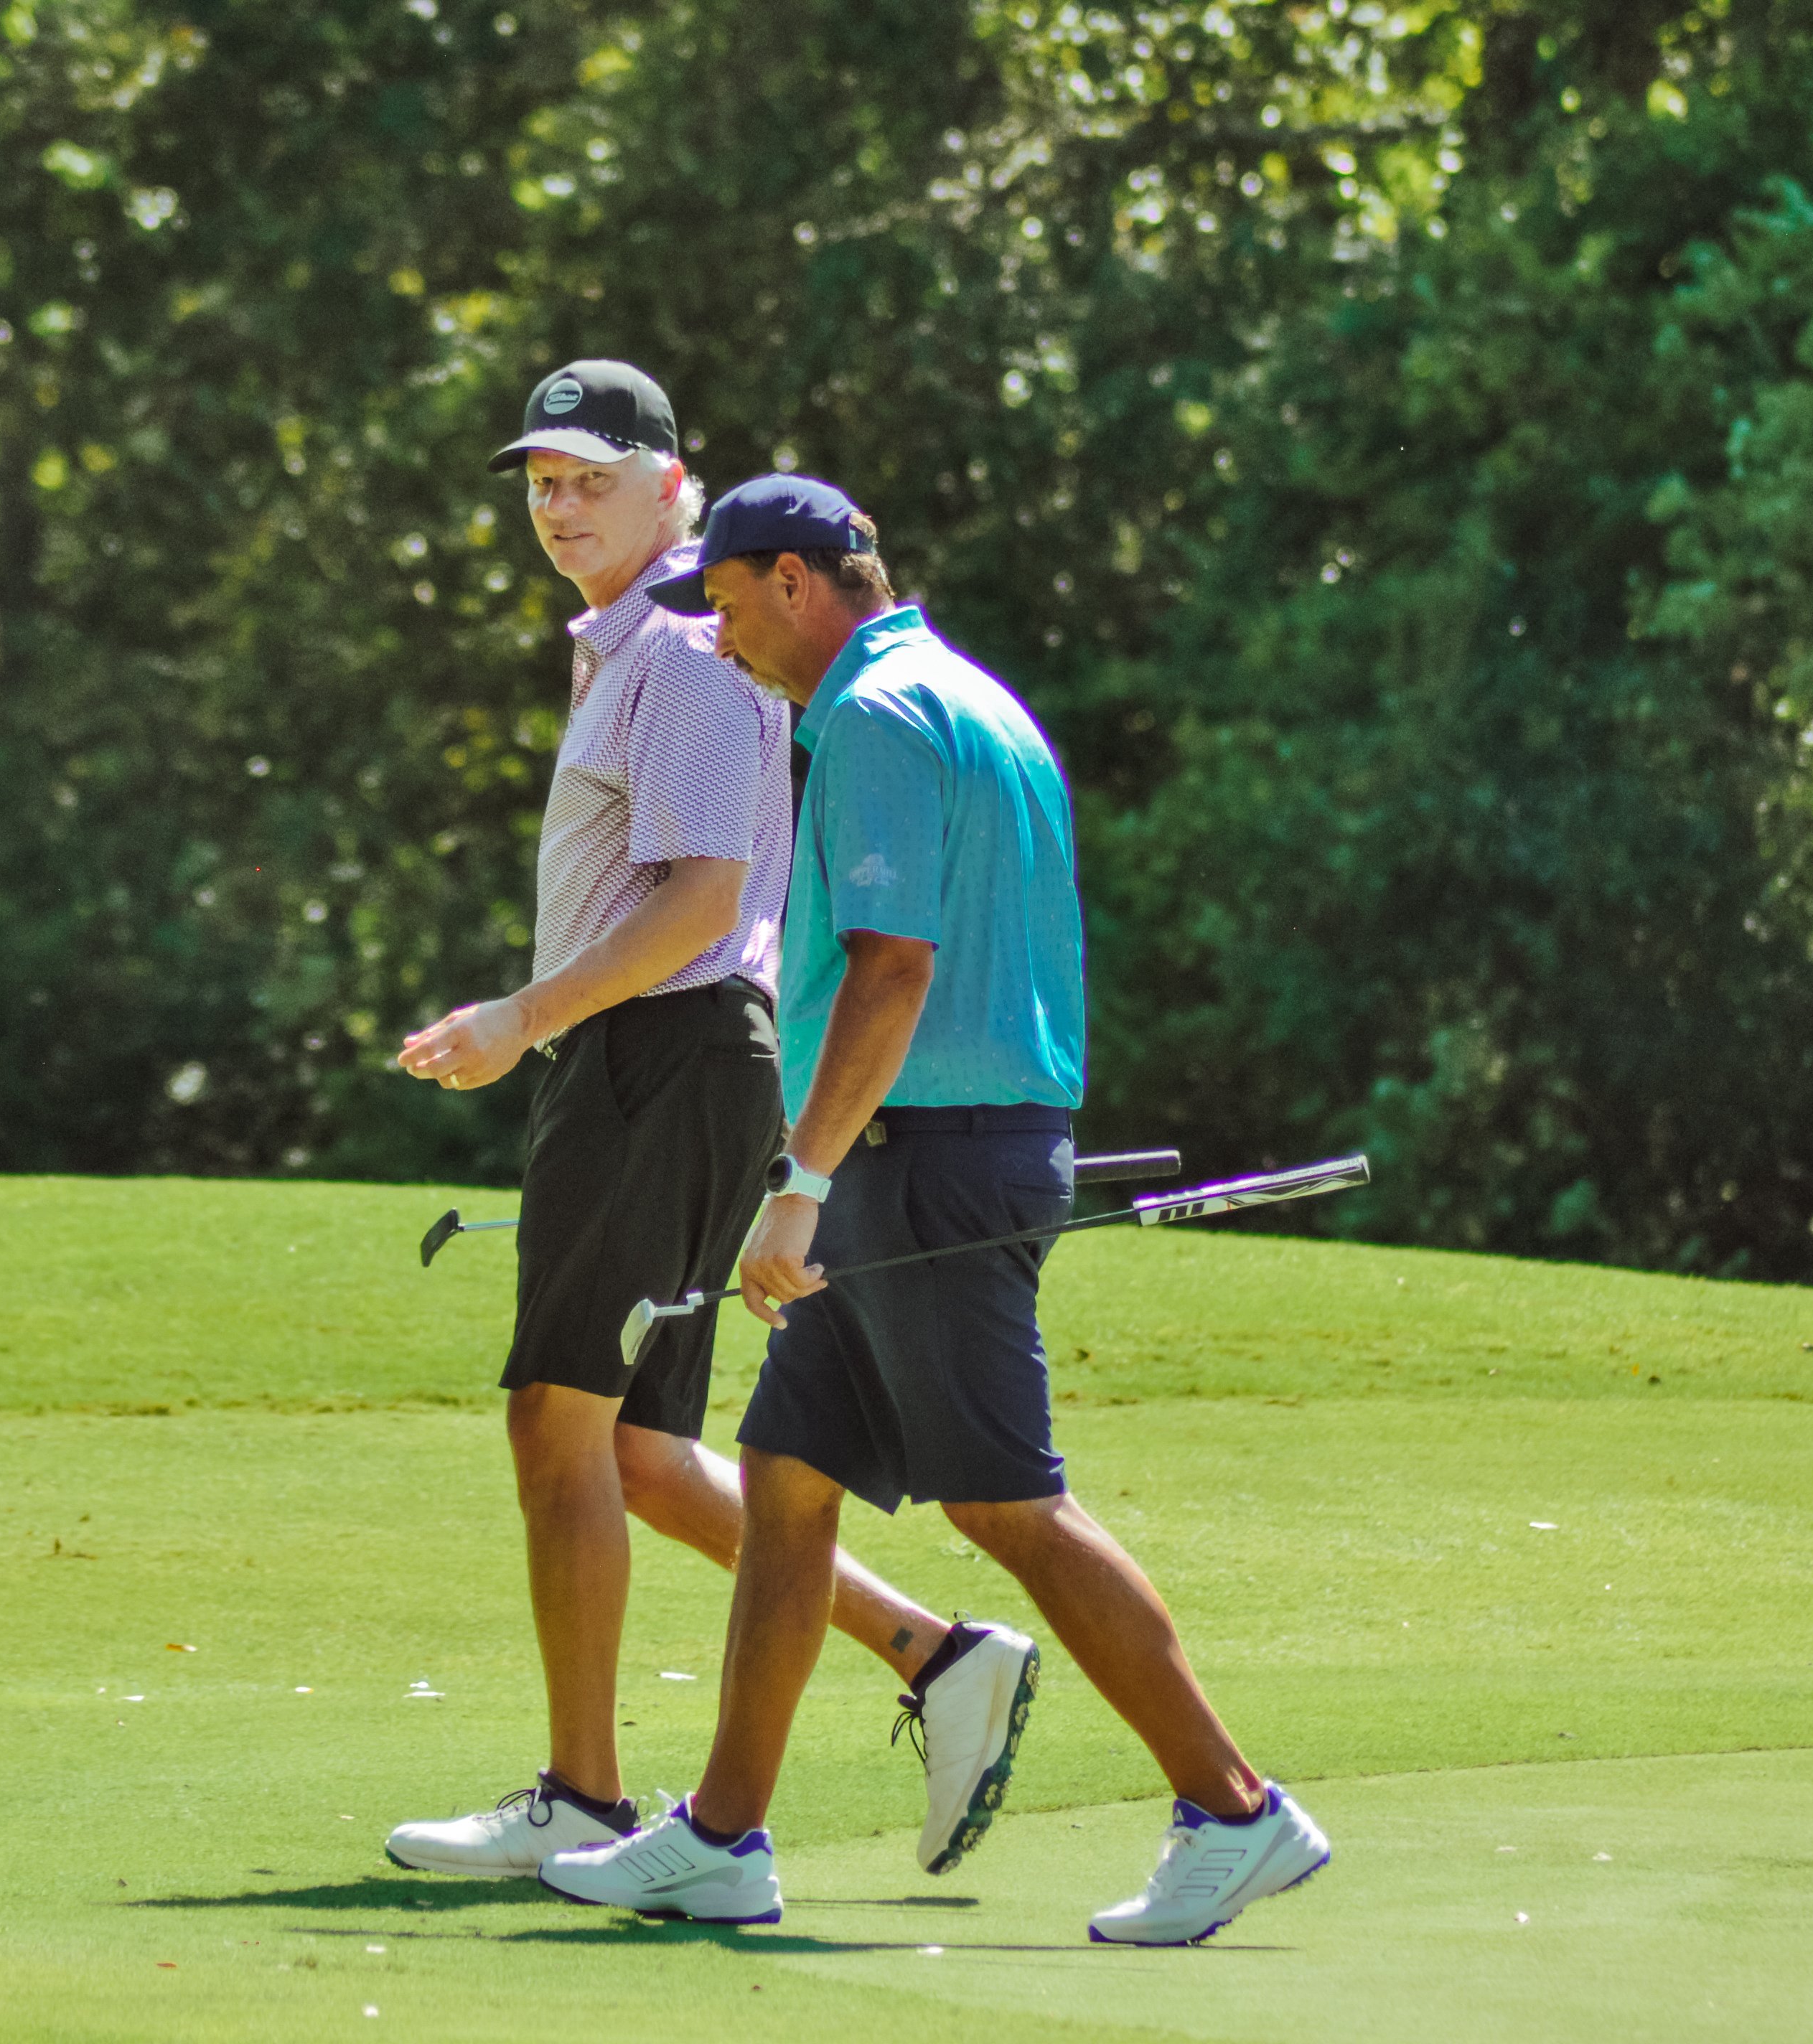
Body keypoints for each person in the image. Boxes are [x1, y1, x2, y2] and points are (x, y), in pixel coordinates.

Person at [535, 476, 1329, 1943]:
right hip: (945, 1138)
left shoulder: (874, 719)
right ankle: (720, 1834)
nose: (713, 634)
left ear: (792, 579)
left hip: (920, 1153)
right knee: (782, 1473)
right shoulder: (965, 693)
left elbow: (892, 969)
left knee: (1001, 1499)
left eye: (721, 599)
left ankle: (1231, 1806)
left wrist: (801, 1186)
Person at [386, 367, 1038, 1885]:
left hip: (656, 1056)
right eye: (539, 483)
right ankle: (931, 1650)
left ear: (676, 487)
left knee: (556, 1419)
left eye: (589, 480)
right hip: (658, 1061)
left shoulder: (676, 658)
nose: (557, 509)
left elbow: (692, 898)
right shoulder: (645, 649)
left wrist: (518, 1018)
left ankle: (584, 1796)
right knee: (643, 1452)